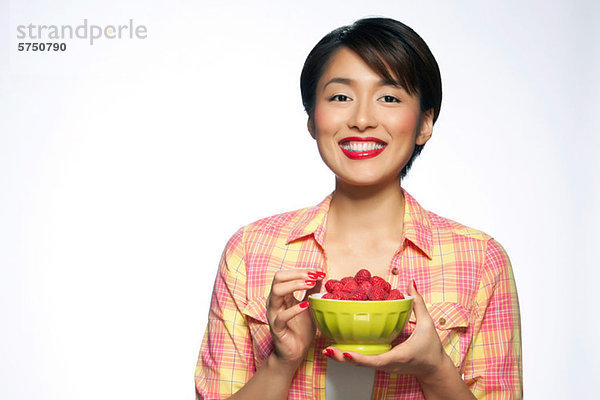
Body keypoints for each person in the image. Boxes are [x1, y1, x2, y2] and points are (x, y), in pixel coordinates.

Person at [194, 17, 522, 399]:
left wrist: (433, 367)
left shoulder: (480, 260)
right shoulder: (250, 252)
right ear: (312, 120)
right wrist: (281, 363)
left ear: (424, 124)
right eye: (340, 97)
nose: (362, 119)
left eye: (389, 97)